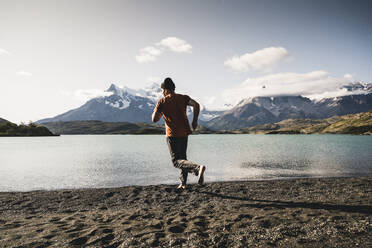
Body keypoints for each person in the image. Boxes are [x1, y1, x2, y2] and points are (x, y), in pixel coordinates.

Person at [152, 77, 206, 190]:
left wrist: (158, 109)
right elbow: (196, 105)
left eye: (162, 90)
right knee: (183, 159)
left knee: (176, 161)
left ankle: (197, 168)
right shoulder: (183, 98)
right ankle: (183, 183)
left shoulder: (162, 101)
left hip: (172, 135)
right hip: (184, 133)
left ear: (166, 90)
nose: (162, 92)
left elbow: (155, 119)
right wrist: (195, 121)